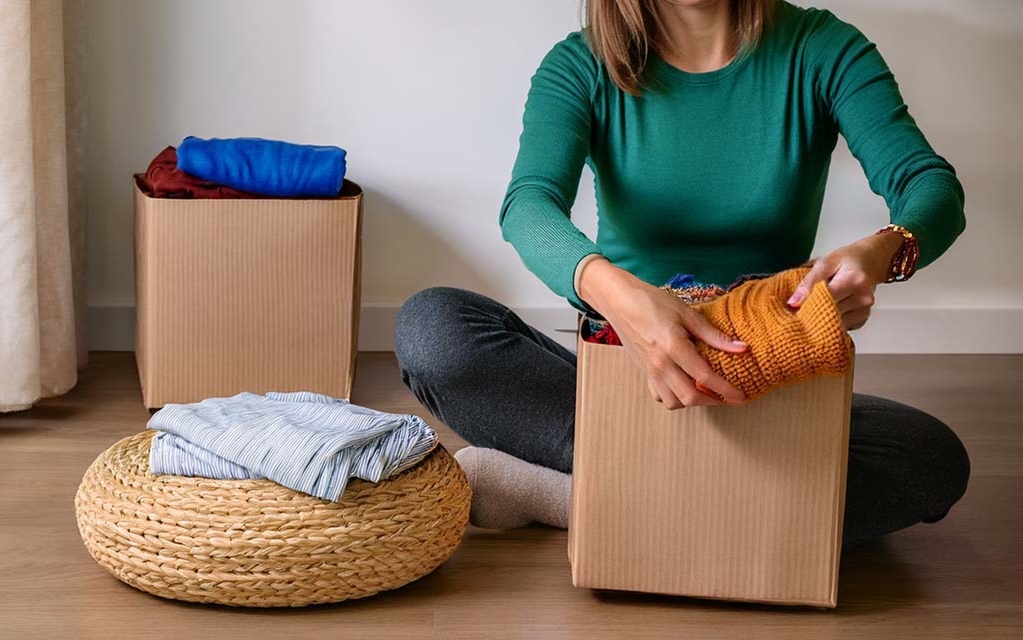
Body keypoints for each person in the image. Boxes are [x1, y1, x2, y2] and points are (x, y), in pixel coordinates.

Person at [394, 0, 969, 548]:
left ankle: (573, 498)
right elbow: (528, 205)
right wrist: (624, 301)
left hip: (762, 382)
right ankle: (718, 505)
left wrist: (879, 252)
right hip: (629, 371)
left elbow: (929, 186)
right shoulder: (579, 64)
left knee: (931, 458)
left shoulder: (823, 49)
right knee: (433, 329)